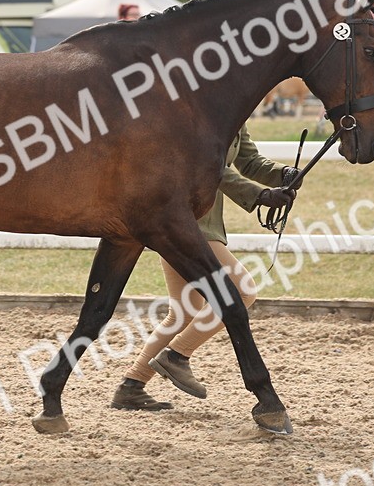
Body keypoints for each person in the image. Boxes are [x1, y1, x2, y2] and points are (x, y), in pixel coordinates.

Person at [110, 124, 298, 410]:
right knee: (242, 292)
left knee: (183, 313)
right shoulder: (200, 115)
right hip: (187, 223)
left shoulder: (235, 115)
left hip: (195, 225)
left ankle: (132, 386)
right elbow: (215, 170)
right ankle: (177, 356)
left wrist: (283, 174)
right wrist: (260, 196)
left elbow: (248, 161)